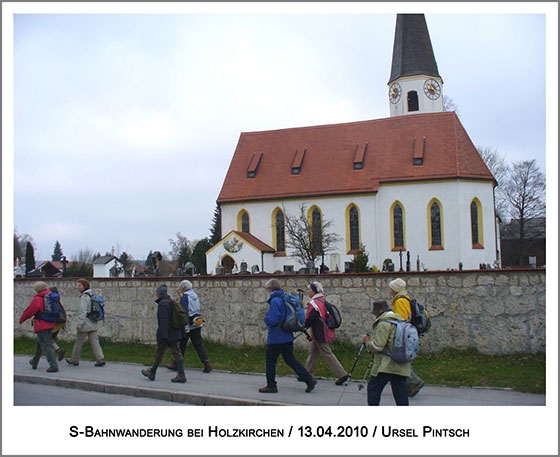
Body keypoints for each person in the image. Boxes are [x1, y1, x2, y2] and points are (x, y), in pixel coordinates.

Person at [259, 278, 317, 393]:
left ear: (270, 289)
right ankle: (308, 379)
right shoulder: (285, 298)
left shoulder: (275, 301)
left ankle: (271, 385)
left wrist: (266, 319)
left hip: (276, 336)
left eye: (267, 289)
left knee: (270, 360)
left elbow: (273, 319)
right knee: (290, 359)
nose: (267, 291)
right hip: (287, 334)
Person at [362, 300, 410, 406]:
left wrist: (367, 342)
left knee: (373, 389)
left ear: (378, 313)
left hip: (386, 364)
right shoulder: (400, 321)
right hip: (401, 361)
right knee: (400, 393)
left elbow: (378, 346)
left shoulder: (384, 324)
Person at [303, 282, 349, 385]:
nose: (308, 292)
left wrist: (304, 325)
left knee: (327, 353)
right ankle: (306, 374)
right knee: (313, 352)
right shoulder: (322, 301)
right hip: (323, 331)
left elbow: (310, 317)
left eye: (309, 290)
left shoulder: (314, 303)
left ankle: (342, 374)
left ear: (314, 291)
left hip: (319, 332)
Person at [141, 284, 186, 383]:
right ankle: (153, 372)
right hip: (175, 331)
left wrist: (164, 336)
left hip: (167, 334)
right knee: (174, 352)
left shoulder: (162, 304)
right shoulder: (171, 302)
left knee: (163, 353)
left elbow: (163, 321)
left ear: (159, 294)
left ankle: (180, 375)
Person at [389, 278, 425, 397]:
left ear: (395, 289)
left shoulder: (399, 301)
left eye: (391, 288)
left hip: (403, 335)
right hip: (409, 333)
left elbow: (401, 320)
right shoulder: (405, 298)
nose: (389, 291)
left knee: (399, 360)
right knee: (400, 360)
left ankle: (414, 382)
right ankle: (410, 384)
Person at [166, 280, 212, 373]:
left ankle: (177, 364)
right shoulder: (195, 295)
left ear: (184, 288)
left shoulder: (185, 297)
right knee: (198, 344)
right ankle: (206, 363)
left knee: (181, 345)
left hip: (188, 324)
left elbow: (184, 312)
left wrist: (185, 326)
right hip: (197, 322)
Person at [18, 281, 59, 372]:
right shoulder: (51, 296)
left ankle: (53, 365)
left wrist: (22, 319)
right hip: (51, 322)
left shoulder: (38, 298)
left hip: (41, 324)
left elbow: (30, 310)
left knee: (45, 345)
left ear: (37, 289)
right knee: (41, 343)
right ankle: (34, 362)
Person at [65, 278, 105, 367]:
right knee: (95, 341)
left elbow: (82, 311)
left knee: (79, 341)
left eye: (79, 285)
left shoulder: (84, 297)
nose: (77, 287)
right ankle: (100, 358)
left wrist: (79, 324)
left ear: (84, 286)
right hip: (93, 321)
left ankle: (74, 359)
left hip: (85, 322)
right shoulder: (92, 295)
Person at [48, 286, 67, 361]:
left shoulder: (52, 301)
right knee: (50, 339)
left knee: (47, 339)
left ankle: (58, 351)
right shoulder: (59, 301)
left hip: (53, 324)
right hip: (60, 324)